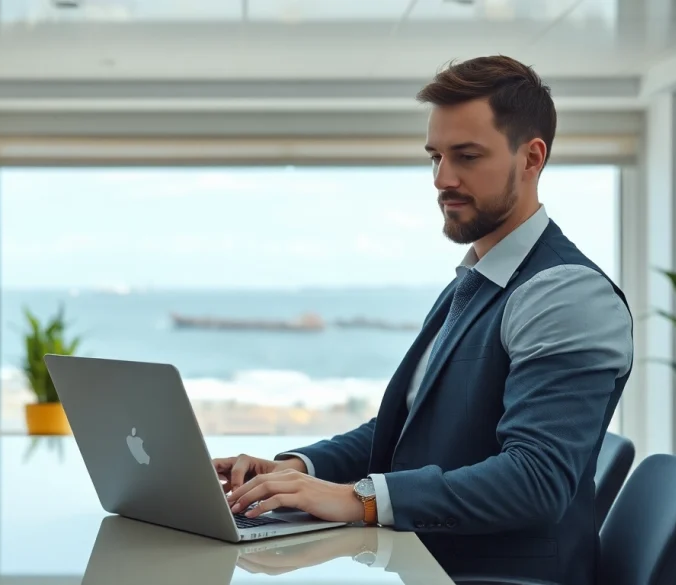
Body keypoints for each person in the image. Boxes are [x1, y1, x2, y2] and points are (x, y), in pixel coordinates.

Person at [214, 55, 633, 585]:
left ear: (531, 158)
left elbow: (536, 480)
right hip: (427, 561)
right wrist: (297, 471)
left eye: (467, 156)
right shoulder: (475, 281)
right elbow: (405, 429)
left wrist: (359, 499)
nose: (442, 178)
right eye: (435, 156)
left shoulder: (566, 294)